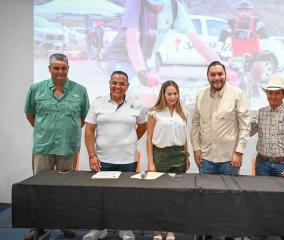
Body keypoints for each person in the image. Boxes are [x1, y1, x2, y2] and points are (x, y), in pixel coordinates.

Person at [24, 53, 90, 240]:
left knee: (65, 189)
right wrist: (44, 131)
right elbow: (30, 115)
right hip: (43, 146)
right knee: (38, 188)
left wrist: (70, 131)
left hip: (67, 148)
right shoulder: (36, 89)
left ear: (68, 69)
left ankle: (65, 224)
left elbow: (84, 118)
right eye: (56, 67)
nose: (60, 71)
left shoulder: (80, 90)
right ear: (50, 69)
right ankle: (36, 227)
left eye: (64, 68)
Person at [83, 70, 147, 240]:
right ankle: (98, 229)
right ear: (109, 83)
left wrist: (129, 140)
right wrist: (92, 156)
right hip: (102, 160)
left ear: (127, 86)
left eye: (122, 83)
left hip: (128, 160)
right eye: (114, 83)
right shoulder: (98, 102)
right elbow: (89, 130)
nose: (117, 86)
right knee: (99, 196)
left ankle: (124, 229)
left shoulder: (136, 104)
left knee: (124, 196)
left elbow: (142, 126)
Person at [104, 0, 220, 88]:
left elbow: (198, 42)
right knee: (135, 91)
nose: (157, 7)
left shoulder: (174, 8)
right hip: (121, 57)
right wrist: (142, 71)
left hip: (147, 60)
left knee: (156, 98)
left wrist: (220, 66)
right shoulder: (136, 3)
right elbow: (132, 41)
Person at [250, 75, 284, 240]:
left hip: (283, 165)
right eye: (270, 93)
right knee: (262, 202)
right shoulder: (260, 113)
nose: (273, 96)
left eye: (277, 93)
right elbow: (247, 132)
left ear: (283, 94)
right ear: (266, 94)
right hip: (262, 164)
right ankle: (260, 236)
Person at [146, 80, 190, 240]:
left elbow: (184, 136)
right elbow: (149, 138)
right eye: (169, 93)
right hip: (161, 156)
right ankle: (157, 230)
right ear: (163, 95)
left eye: (175, 93)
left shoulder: (183, 112)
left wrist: (187, 155)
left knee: (174, 195)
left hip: (178, 157)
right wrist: (151, 162)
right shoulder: (154, 112)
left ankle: (171, 230)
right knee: (158, 195)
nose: (173, 97)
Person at [191, 61, 250, 176]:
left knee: (230, 193)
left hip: (229, 160)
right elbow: (195, 124)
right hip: (205, 159)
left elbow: (245, 126)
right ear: (207, 77)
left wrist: (239, 152)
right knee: (206, 193)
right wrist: (196, 148)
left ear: (226, 75)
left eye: (220, 74)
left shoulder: (237, 94)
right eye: (212, 75)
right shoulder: (200, 95)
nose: (217, 78)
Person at [217, 0, 269, 96]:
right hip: (237, 54)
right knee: (230, 75)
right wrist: (218, 49)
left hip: (254, 53)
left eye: (247, 11)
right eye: (242, 11)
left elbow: (264, 36)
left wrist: (265, 49)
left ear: (251, 12)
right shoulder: (231, 23)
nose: (244, 13)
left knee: (258, 67)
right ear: (238, 12)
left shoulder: (257, 22)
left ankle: (255, 85)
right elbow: (222, 37)